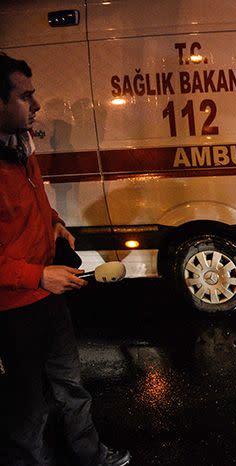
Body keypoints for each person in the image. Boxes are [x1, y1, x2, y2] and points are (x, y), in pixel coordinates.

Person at [0, 53, 131, 466]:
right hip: (13, 310)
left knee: (72, 386)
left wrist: (54, 222)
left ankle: (91, 457)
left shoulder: (21, 146)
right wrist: (38, 275)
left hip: (50, 300)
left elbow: (33, 203)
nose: (36, 104)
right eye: (25, 96)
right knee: (29, 406)